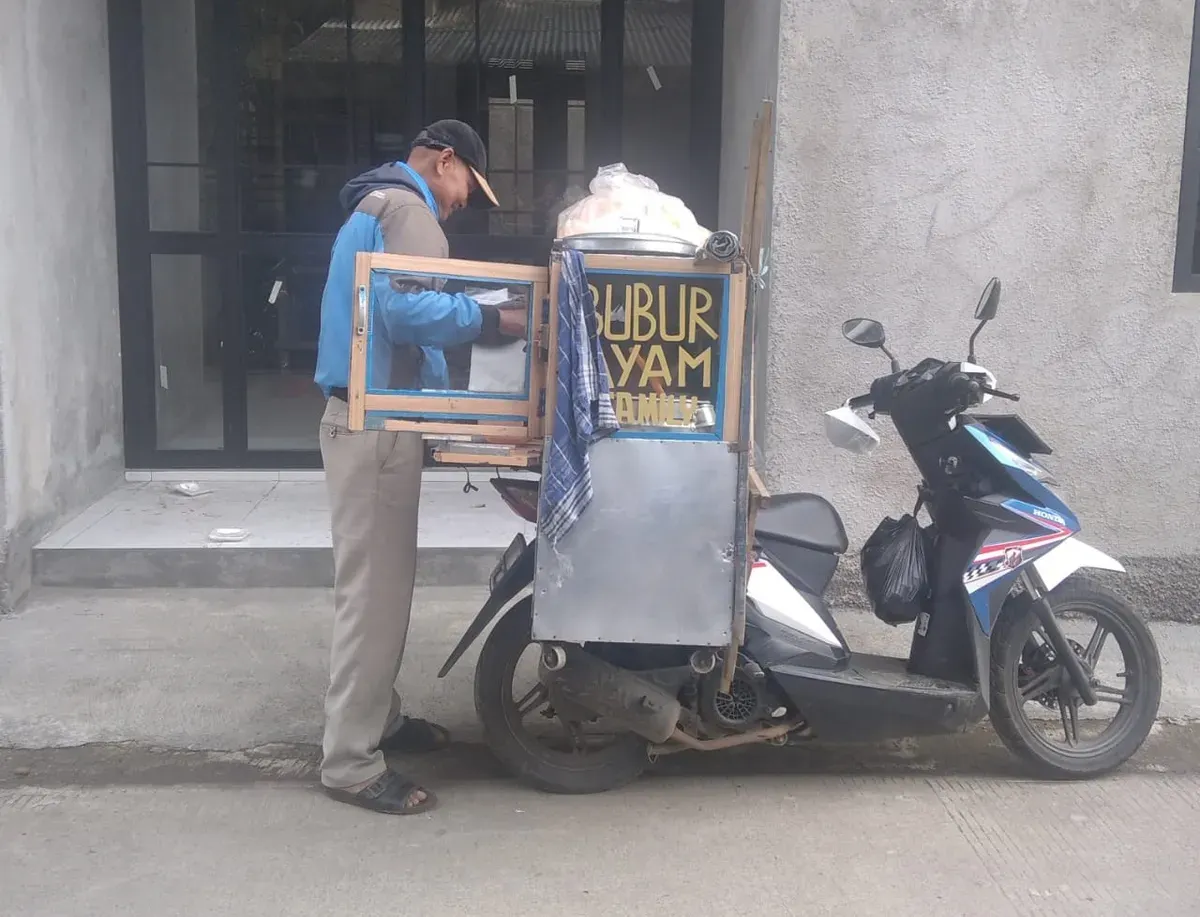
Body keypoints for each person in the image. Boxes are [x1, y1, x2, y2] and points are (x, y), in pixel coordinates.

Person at [313, 120, 526, 815]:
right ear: (442, 160)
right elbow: (402, 310)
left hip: (368, 417)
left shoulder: (376, 204)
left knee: (381, 585)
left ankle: (380, 714)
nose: (466, 201)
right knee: (374, 594)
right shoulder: (410, 209)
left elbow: (386, 310)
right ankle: (350, 760)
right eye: (468, 184)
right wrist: (494, 321)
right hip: (373, 425)